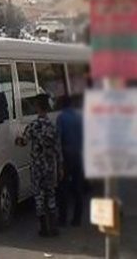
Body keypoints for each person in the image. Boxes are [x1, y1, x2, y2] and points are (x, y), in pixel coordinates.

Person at [16, 94, 63, 237]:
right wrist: (60, 167)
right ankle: (54, 227)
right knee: (51, 194)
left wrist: (17, 140)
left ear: (37, 107)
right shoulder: (52, 126)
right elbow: (58, 149)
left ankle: (43, 228)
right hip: (50, 165)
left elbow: (23, 142)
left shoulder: (33, 126)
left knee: (39, 196)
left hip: (37, 166)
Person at [56, 95, 84, 227]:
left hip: (66, 155)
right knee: (78, 188)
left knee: (63, 188)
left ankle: (63, 219)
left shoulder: (61, 118)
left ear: (62, 105)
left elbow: (58, 139)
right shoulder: (78, 117)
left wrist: (59, 161)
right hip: (78, 155)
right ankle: (77, 219)